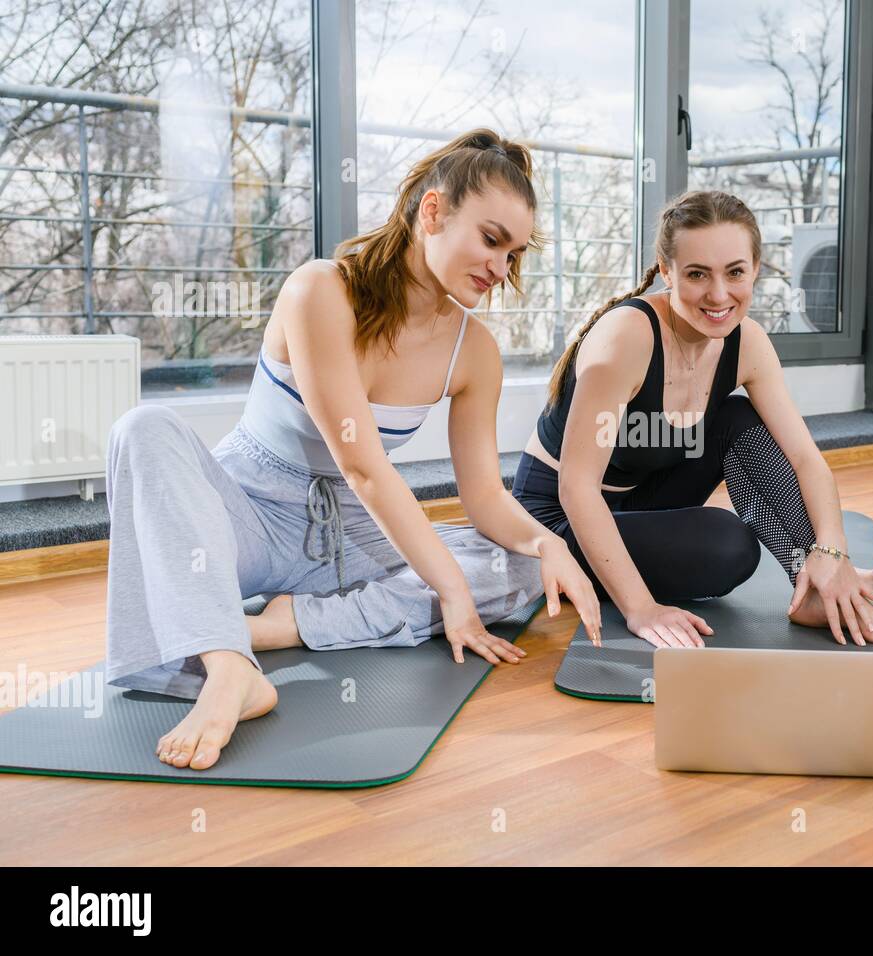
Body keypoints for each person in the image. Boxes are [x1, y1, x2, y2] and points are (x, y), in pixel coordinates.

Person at [105, 128, 601, 772]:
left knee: (520, 567)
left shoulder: (473, 350)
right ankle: (232, 671)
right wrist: (448, 590)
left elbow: (482, 496)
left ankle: (277, 627)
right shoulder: (320, 290)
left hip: (349, 541)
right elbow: (362, 464)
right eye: (490, 239)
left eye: (514, 253)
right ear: (432, 212)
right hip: (248, 521)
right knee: (144, 428)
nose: (501, 269)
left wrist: (545, 544)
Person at [511, 190, 873, 650]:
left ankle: (818, 593)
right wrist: (641, 608)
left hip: (639, 500)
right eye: (698, 274)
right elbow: (575, 489)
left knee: (737, 417)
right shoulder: (626, 338)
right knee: (727, 547)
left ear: (755, 268)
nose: (719, 295)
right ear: (666, 269)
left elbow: (805, 458)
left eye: (735, 272)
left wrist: (831, 552)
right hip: (559, 518)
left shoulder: (747, 343)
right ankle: (605, 575)